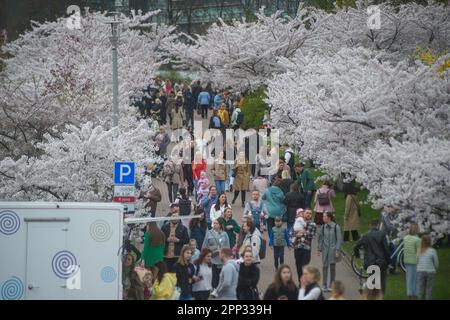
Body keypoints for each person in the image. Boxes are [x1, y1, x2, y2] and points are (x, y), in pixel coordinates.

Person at [354, 219, 390, 294]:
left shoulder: (366, 235)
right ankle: (380, 296)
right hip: (381, 262)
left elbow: (356, 246)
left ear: (370, 225)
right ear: (378, 225)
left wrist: (357, 256)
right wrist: (388, 261)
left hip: (370, 262)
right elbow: (386, 249)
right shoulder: (382, 234)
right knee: (381, 282)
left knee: (372, 283)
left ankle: (370, 295)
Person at [202, 219, 230, 291]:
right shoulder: (208, 233)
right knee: (213, 275)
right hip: (212, 259)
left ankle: (220, 289)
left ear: (220, 225)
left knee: (221, 275)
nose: (214, 225)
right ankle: (213, 289)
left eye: (216, 223)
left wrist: (227, 258)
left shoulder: (225, 234)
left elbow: (228, 247)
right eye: (214, 223)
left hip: (222, 259)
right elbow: (204, 246)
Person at [317, 212, 342, 292]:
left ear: (329, 217)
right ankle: (324, 285)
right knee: (324, 267)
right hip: (325, 250)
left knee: (332, 267)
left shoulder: (336, 227)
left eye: (324, 216)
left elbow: (339, 239)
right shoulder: (323, 227)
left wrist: (337, 250)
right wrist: (319, 249)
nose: (323, 218)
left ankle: (332, 284)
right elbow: (320, 239)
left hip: (333, 250)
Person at [291, 209, 316, 282]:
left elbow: (311, 234)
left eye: (310, 213)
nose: (308, 215)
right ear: (303, 214)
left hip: (306, 248)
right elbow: (292, 233)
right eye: (307, 213)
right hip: (297, 247)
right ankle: (301, 282)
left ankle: (306, 282)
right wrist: (297, 235)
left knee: (305, 267)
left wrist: (301, 233)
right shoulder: (297, 222)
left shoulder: (312, 224)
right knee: (298, 266)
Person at [416, 234, 439, 300]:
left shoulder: (419, 251)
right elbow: (436, 263)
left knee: (420, 289)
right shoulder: (433, 251)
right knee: (429, 289)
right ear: (430, 242)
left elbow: (416, 261)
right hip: (430, 271)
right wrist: (435, 269)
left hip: (420, 271)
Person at [403, 223, 421, 299]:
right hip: (414, 261)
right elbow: (419, 252)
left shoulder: (405, 238)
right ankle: (415, 294)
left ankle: (409, 294)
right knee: (416, 279)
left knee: (409, 278)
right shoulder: (418, 240)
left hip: (406, 261)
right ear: (417, 230)